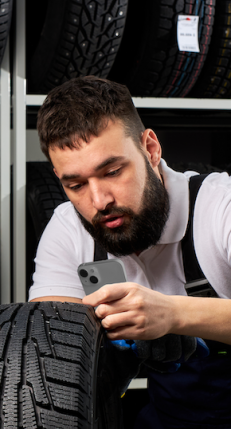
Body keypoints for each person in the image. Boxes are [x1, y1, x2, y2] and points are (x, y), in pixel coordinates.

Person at [30, 75, 231, 428]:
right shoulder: (68, 227)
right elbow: (49, 345)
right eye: (75, 185)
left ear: (150, 149)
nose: (99, 201)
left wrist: (173, 314)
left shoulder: (221, 206)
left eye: (112, 171)